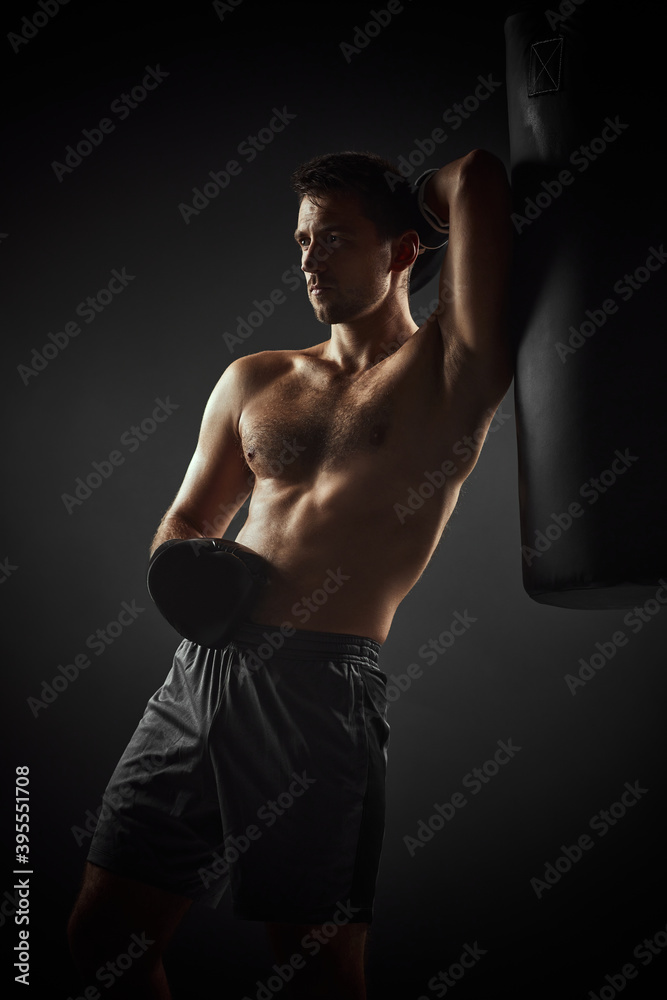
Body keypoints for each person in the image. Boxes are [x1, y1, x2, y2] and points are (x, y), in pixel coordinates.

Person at [68, 148, 512, 999]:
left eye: (336, 237)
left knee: (315, 970)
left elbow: (481, 177)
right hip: (200, 675)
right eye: (303, 239)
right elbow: (188, 521)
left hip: (317, 693)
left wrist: (413, 197)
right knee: (102, 936)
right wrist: (183, 575)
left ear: (401, 252)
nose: (309, 257)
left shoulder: (452, 370)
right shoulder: (257, 378)